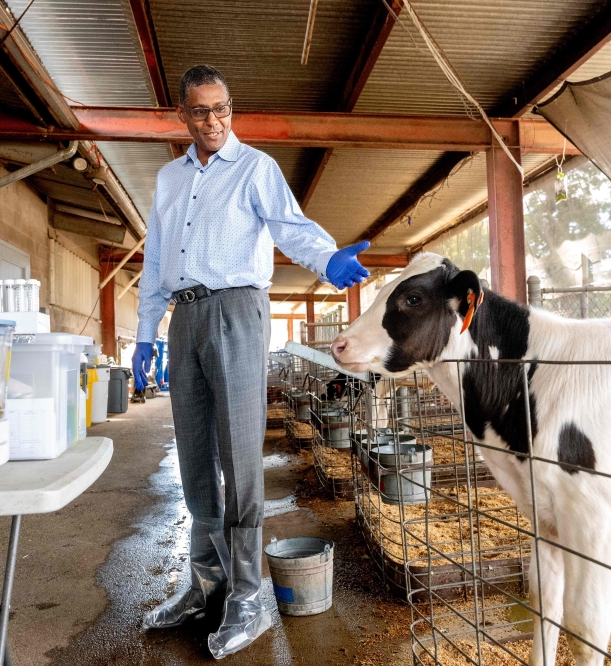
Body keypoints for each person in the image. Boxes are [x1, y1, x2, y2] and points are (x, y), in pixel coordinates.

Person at [134, 66, 369, 658]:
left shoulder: (256, 168)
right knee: (192, 452)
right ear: (182, 117)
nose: (213, 121)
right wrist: (145, 332)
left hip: (239, 309)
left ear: (229, 111)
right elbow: (157, 253)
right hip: (184, 316)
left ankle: (245, 594)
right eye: (200, 111)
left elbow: (292, 225)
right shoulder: (168, 179)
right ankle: (204, 583)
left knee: (239, 453)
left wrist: (326, 261)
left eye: (222, 109)